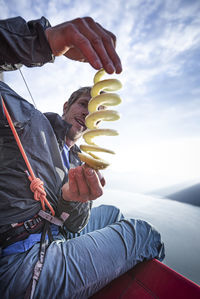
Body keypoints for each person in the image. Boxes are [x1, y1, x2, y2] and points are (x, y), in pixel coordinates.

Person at [0, 16, 164, 299]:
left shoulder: (79, 160)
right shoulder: (29, 120)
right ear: (67, 105)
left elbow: (74, 224)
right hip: (20, 258)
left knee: (111, 213)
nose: (88, 114)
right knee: (143, 233)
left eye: (95, 112)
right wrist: (45, 40)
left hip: (52, 232)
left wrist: (69, 199)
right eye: (83, 104)